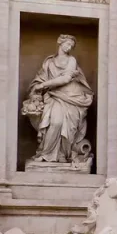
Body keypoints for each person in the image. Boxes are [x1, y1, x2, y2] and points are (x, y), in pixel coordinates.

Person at [23, 35, 94, 164]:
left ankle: (63, 155)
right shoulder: (49, 62)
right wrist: (37, 87)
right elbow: (39, 79)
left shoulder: (71, 60)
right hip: (54, 97)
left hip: (71, 97)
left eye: (71, 46)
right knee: (55, 123)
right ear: (60, 43)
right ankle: (46, 154)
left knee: (67, 128)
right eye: (67, 44)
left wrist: (44, 85)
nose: (69, 47)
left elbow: (66, 79)